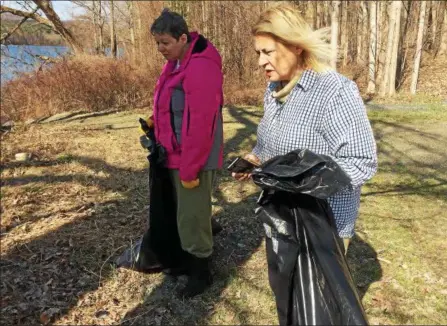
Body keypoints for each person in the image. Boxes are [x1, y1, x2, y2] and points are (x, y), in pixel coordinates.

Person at [232, 4, 378, 253]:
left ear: (296, 46)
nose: (260, 61)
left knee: (319, 293)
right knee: (284, 290)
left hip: (323, 227)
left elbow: (361, 161)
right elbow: (272, 143)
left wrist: (302, 180)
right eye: (258, 52)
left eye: (267, 52)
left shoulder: (334, 91)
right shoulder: (274, 89)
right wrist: (256, 159)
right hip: (281, 218)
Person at [147, 8, 224, 297]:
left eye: (165, 42)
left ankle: (202, 273)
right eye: (157, 43)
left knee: (192, 216)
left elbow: (201, 124)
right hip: (176, 152)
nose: (160, 49)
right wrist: (157, 122)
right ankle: (185, 259)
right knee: (183, 212)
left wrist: (191, 167)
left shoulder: (201, 67)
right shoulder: (178, 62)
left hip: (195, 157)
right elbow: (172, 103)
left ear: (183, 37)